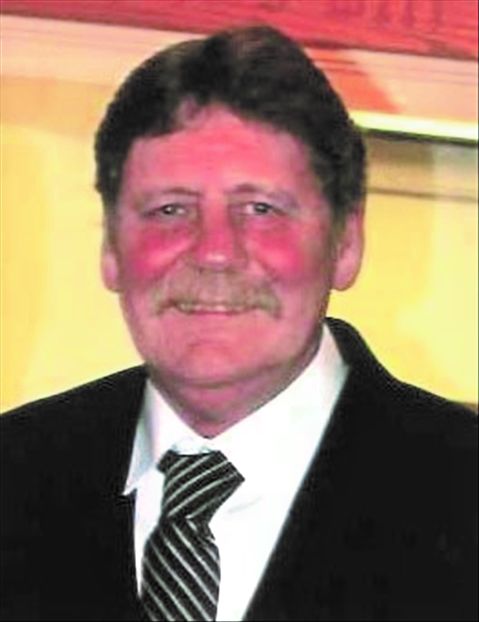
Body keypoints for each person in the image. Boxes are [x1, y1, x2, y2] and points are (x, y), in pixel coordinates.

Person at [0, 25, 476, 622]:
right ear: (111, 250)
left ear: (346, 243)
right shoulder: (15, 475)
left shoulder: (460, 491)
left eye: (261, 209)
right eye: (170, 209)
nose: (215, 252)